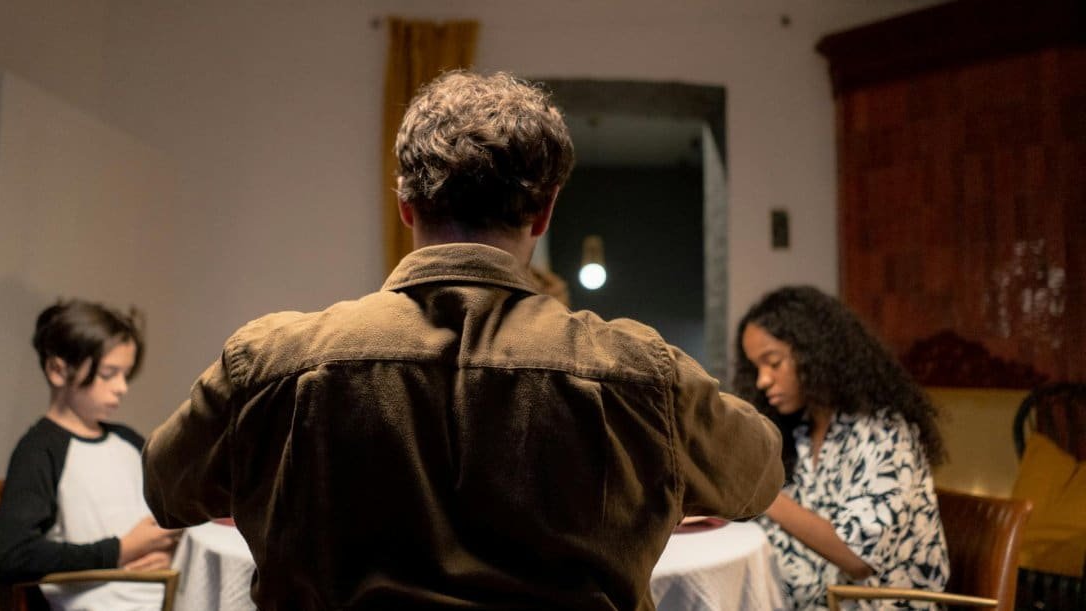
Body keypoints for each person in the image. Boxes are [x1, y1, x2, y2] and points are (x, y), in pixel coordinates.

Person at [142, 70, 783, 611]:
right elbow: (757, 475)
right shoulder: (636, 371)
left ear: (406, 205)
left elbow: (167, 489)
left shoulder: (270, 361)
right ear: (545, 211)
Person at [733, 285, 949, 610]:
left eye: (773, 362)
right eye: (756, 368)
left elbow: (857, 556)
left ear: (815, 353)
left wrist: (760, 492)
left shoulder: (885, 431)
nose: (762, 380)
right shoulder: (803, 430)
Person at [0, 300, 180, 610]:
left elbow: (164, 517)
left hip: (159, 594)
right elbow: (11, 554)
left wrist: (167, 549)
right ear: (58, 369)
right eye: (108, 373)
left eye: (125, 374)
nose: (122, 387)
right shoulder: (39, 451)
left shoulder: (130, 442)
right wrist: (119, 551)